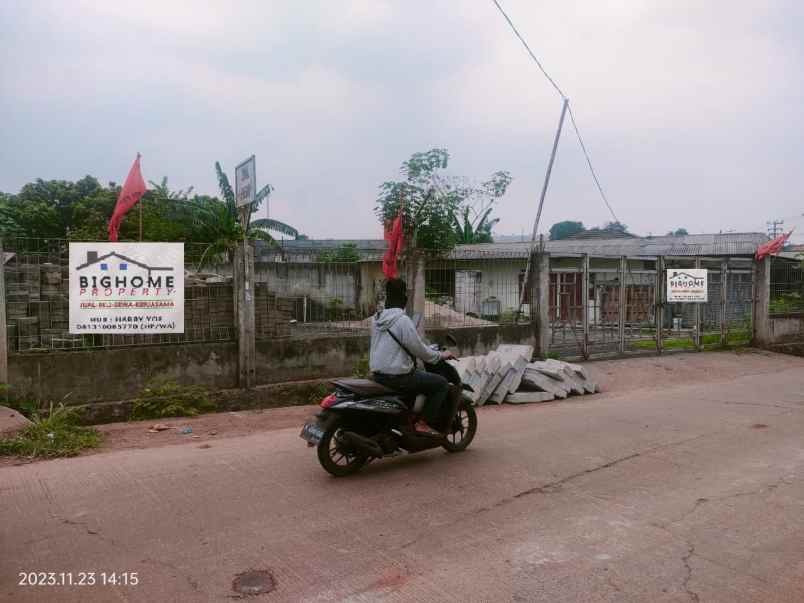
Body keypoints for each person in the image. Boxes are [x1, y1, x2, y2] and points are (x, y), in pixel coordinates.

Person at [370, 279, 454, 436]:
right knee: (441, 384)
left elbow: (395, 346)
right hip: (399, 377)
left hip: (378, 376)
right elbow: (418, 349)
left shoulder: (376, 320)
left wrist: (426, 350)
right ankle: (423, 423)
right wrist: (440, 355)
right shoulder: (402, 320)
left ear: (387, 297)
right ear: (403, 297)